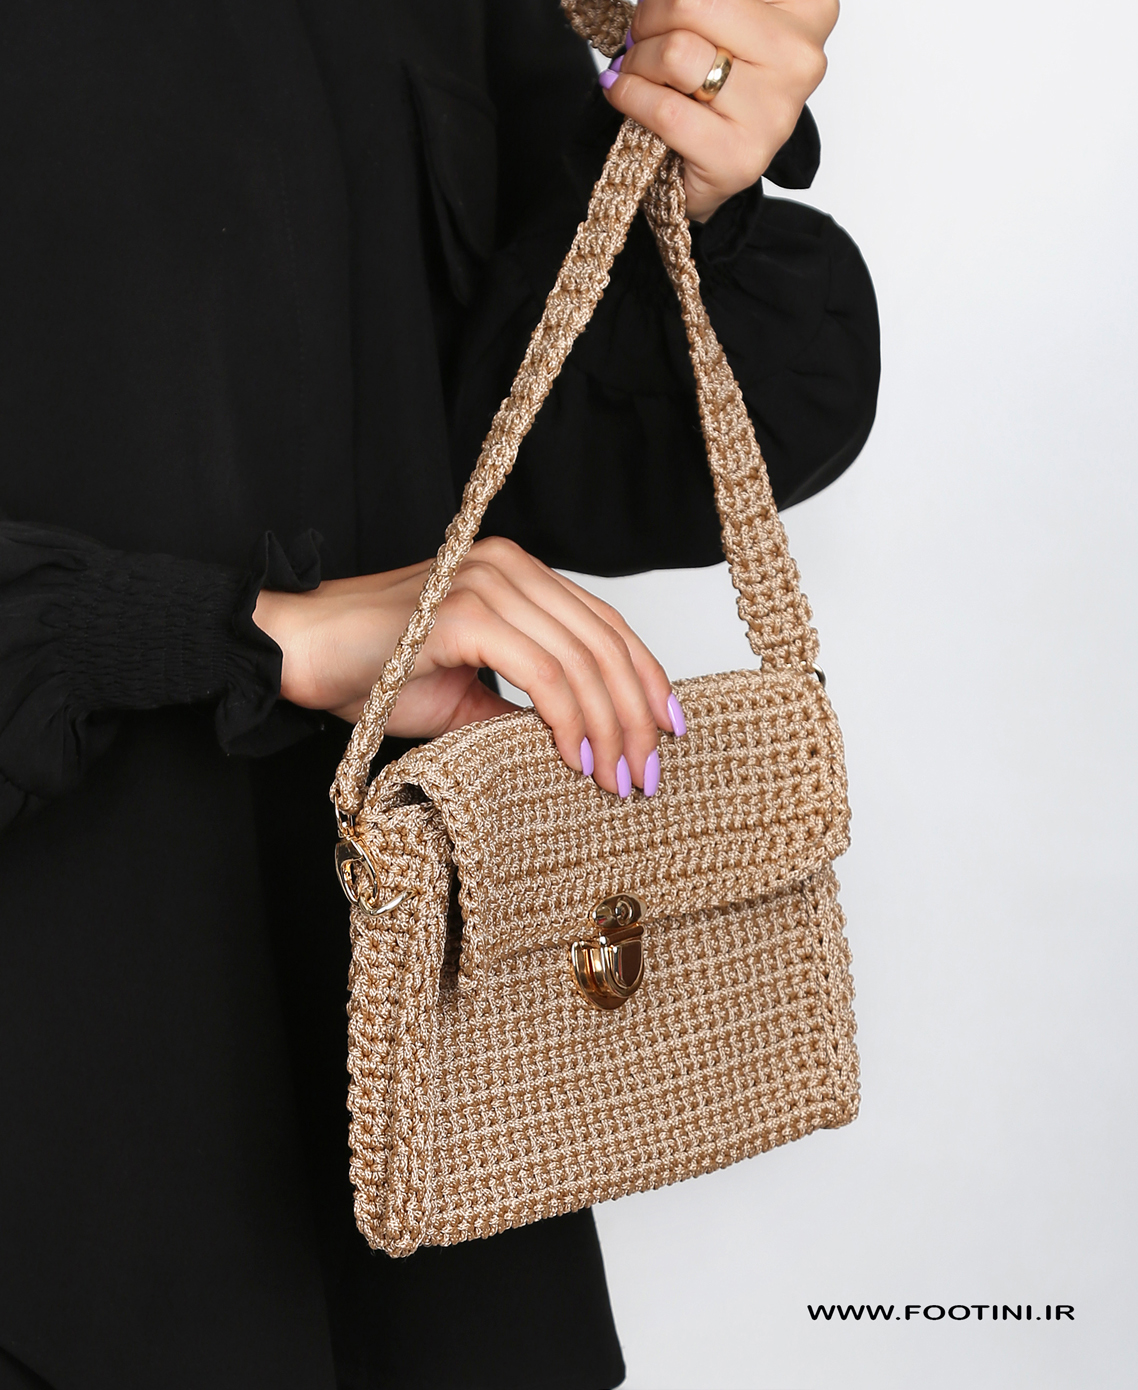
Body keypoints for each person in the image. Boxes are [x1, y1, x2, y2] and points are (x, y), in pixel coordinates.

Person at [0, 1, 878, 1386]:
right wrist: (248, 632)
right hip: (64, 1133)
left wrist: (689, 160)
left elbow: (529, 431)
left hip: (414, 1110)